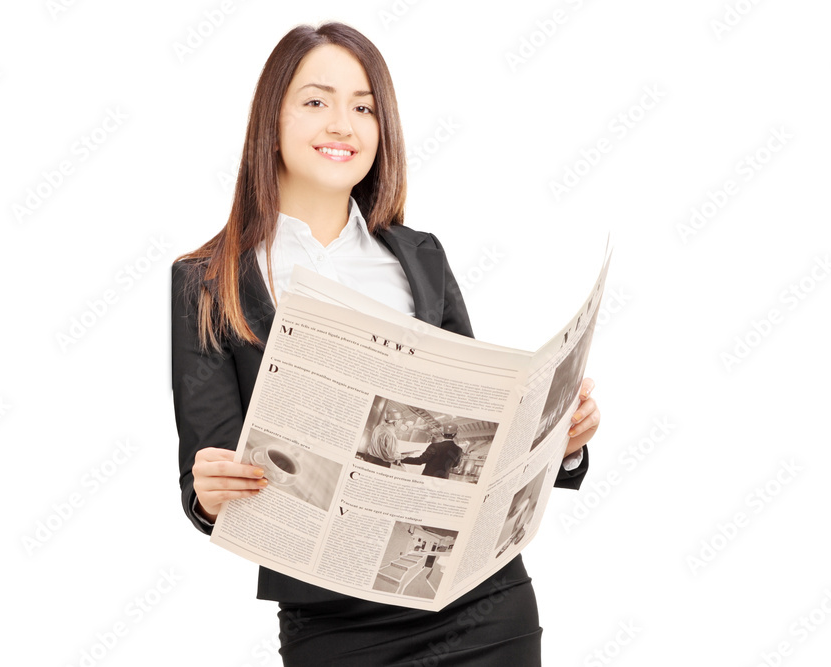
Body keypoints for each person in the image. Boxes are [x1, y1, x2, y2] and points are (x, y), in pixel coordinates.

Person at [171, 21, 602, 666]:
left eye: (363, 106)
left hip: (484, 609)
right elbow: (203, 481)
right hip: (334, 625)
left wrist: (558, 444)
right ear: (271, 120)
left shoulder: (420, 258)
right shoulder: (206, 281)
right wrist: (209, 495)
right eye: (315, 101)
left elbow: (479, 435)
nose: (342, 123)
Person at [398, 423, 464, 479]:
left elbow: (420, 461)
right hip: (443, 479)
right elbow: (454, 465)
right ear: (455, 434)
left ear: (442, 433)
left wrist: (400, 459)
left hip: (428, 477)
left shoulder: (435, 446)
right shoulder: (459, 450)